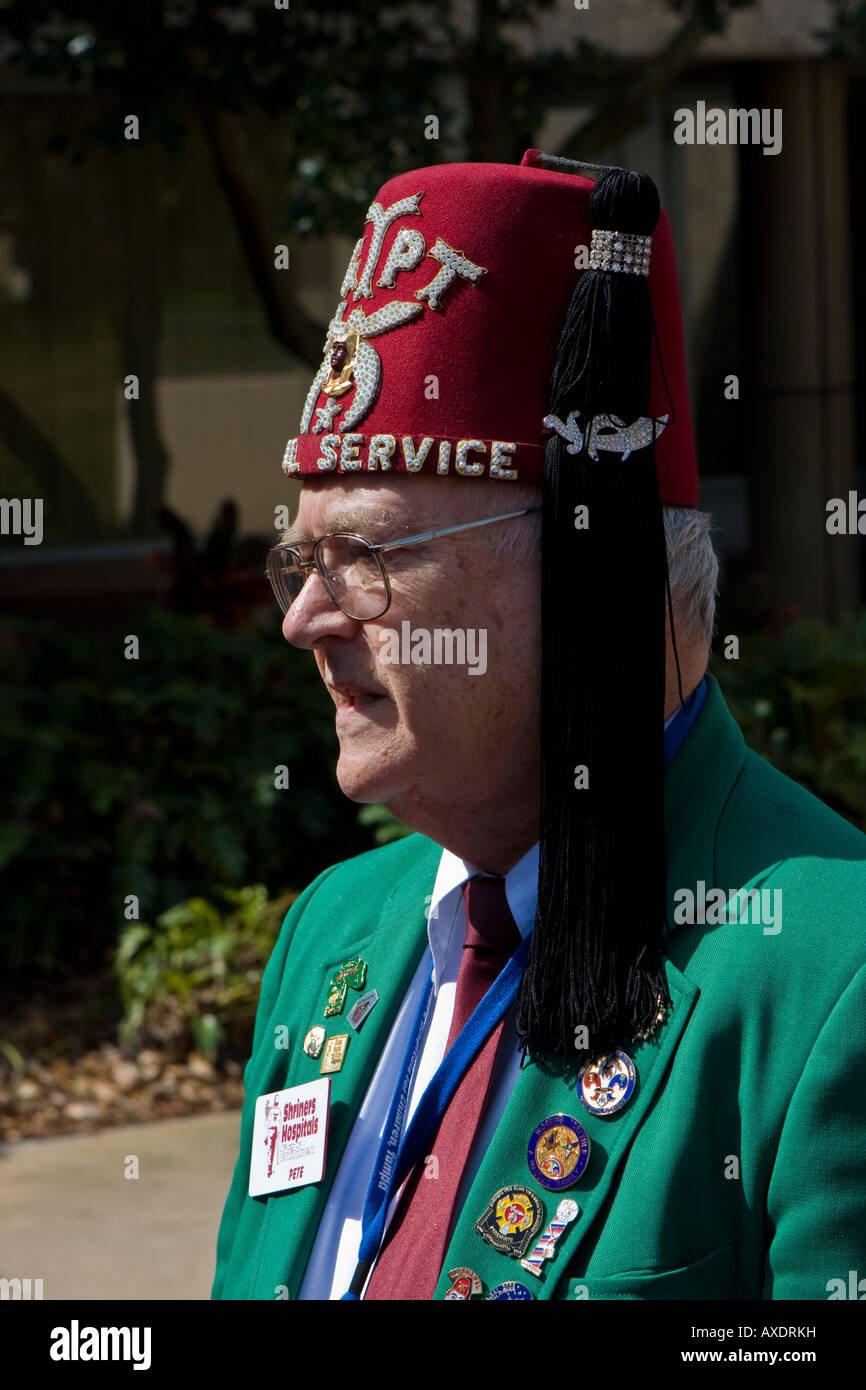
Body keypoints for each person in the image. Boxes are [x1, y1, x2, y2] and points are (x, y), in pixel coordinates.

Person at [212, 150, 866, 1301]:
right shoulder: (335, 931)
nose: (304, 620)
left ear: (585, 577)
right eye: (299, 563)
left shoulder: (829, 968)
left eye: (363, 558)